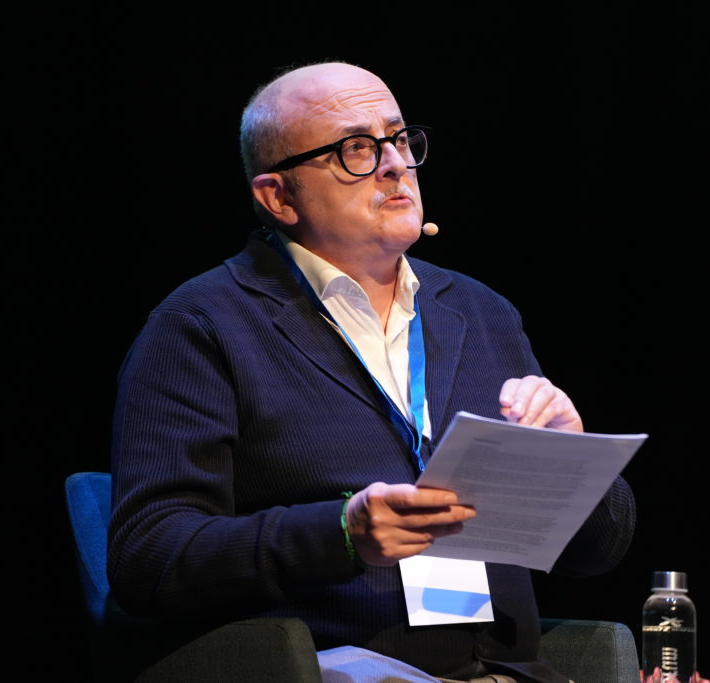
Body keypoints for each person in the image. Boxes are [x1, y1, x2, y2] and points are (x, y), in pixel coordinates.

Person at [107, 61, 637, 683]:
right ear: (278, 197)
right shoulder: (203, 325)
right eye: (355, 149)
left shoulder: (480, 312)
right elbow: (148, 557)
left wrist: (568, 460)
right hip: (331, 668)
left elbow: (598, 553)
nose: (394, 164)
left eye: (399, 139)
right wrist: (342, 535)